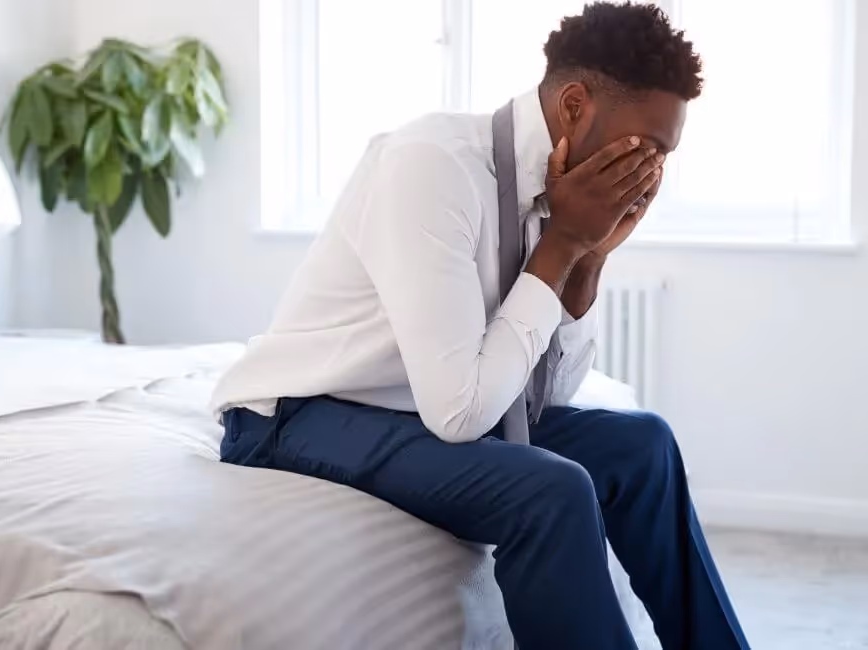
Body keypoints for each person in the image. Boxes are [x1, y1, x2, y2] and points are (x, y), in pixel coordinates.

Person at [211, 2, 750, 648]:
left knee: (645, 448)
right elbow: (460, 416)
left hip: (414, 404)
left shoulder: (559, 195)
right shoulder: (432, 167)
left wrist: (587, 257)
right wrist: (560, 246)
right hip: (298, 414)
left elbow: (548, 396)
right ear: (575, 106)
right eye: (647, 148)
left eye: (665, 156)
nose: (652, 173)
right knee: (553, 493)